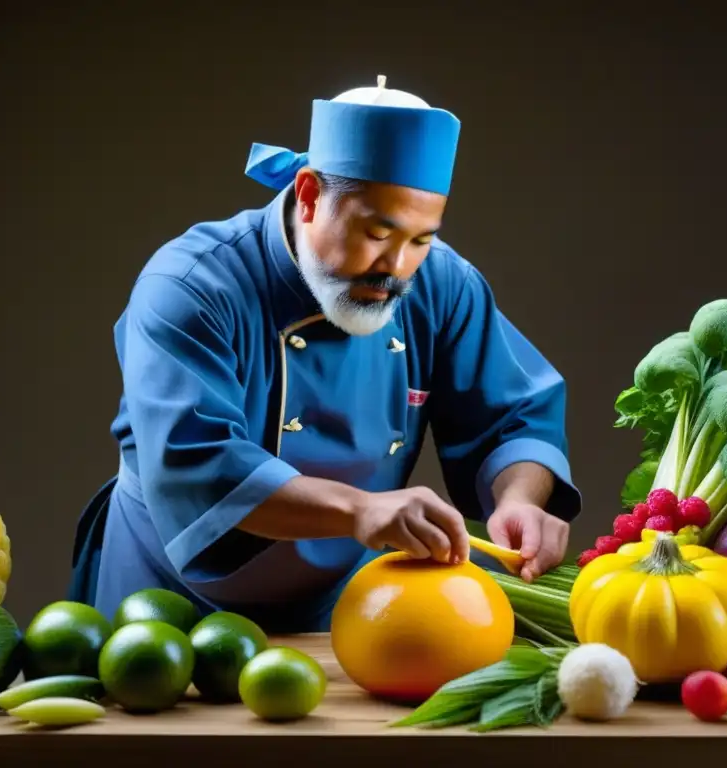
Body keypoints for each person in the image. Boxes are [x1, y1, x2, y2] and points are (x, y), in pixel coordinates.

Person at [67, 75, 582, 633]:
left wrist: (521, 500)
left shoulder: (443, 284)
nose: (397, 268)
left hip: (347, 604)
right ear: (310, 196)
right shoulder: (191, 286)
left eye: (421, 239)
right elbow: (200, 464)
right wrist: (361, 510)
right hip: (169, 598)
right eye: (378, 233)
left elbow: (513, 416)